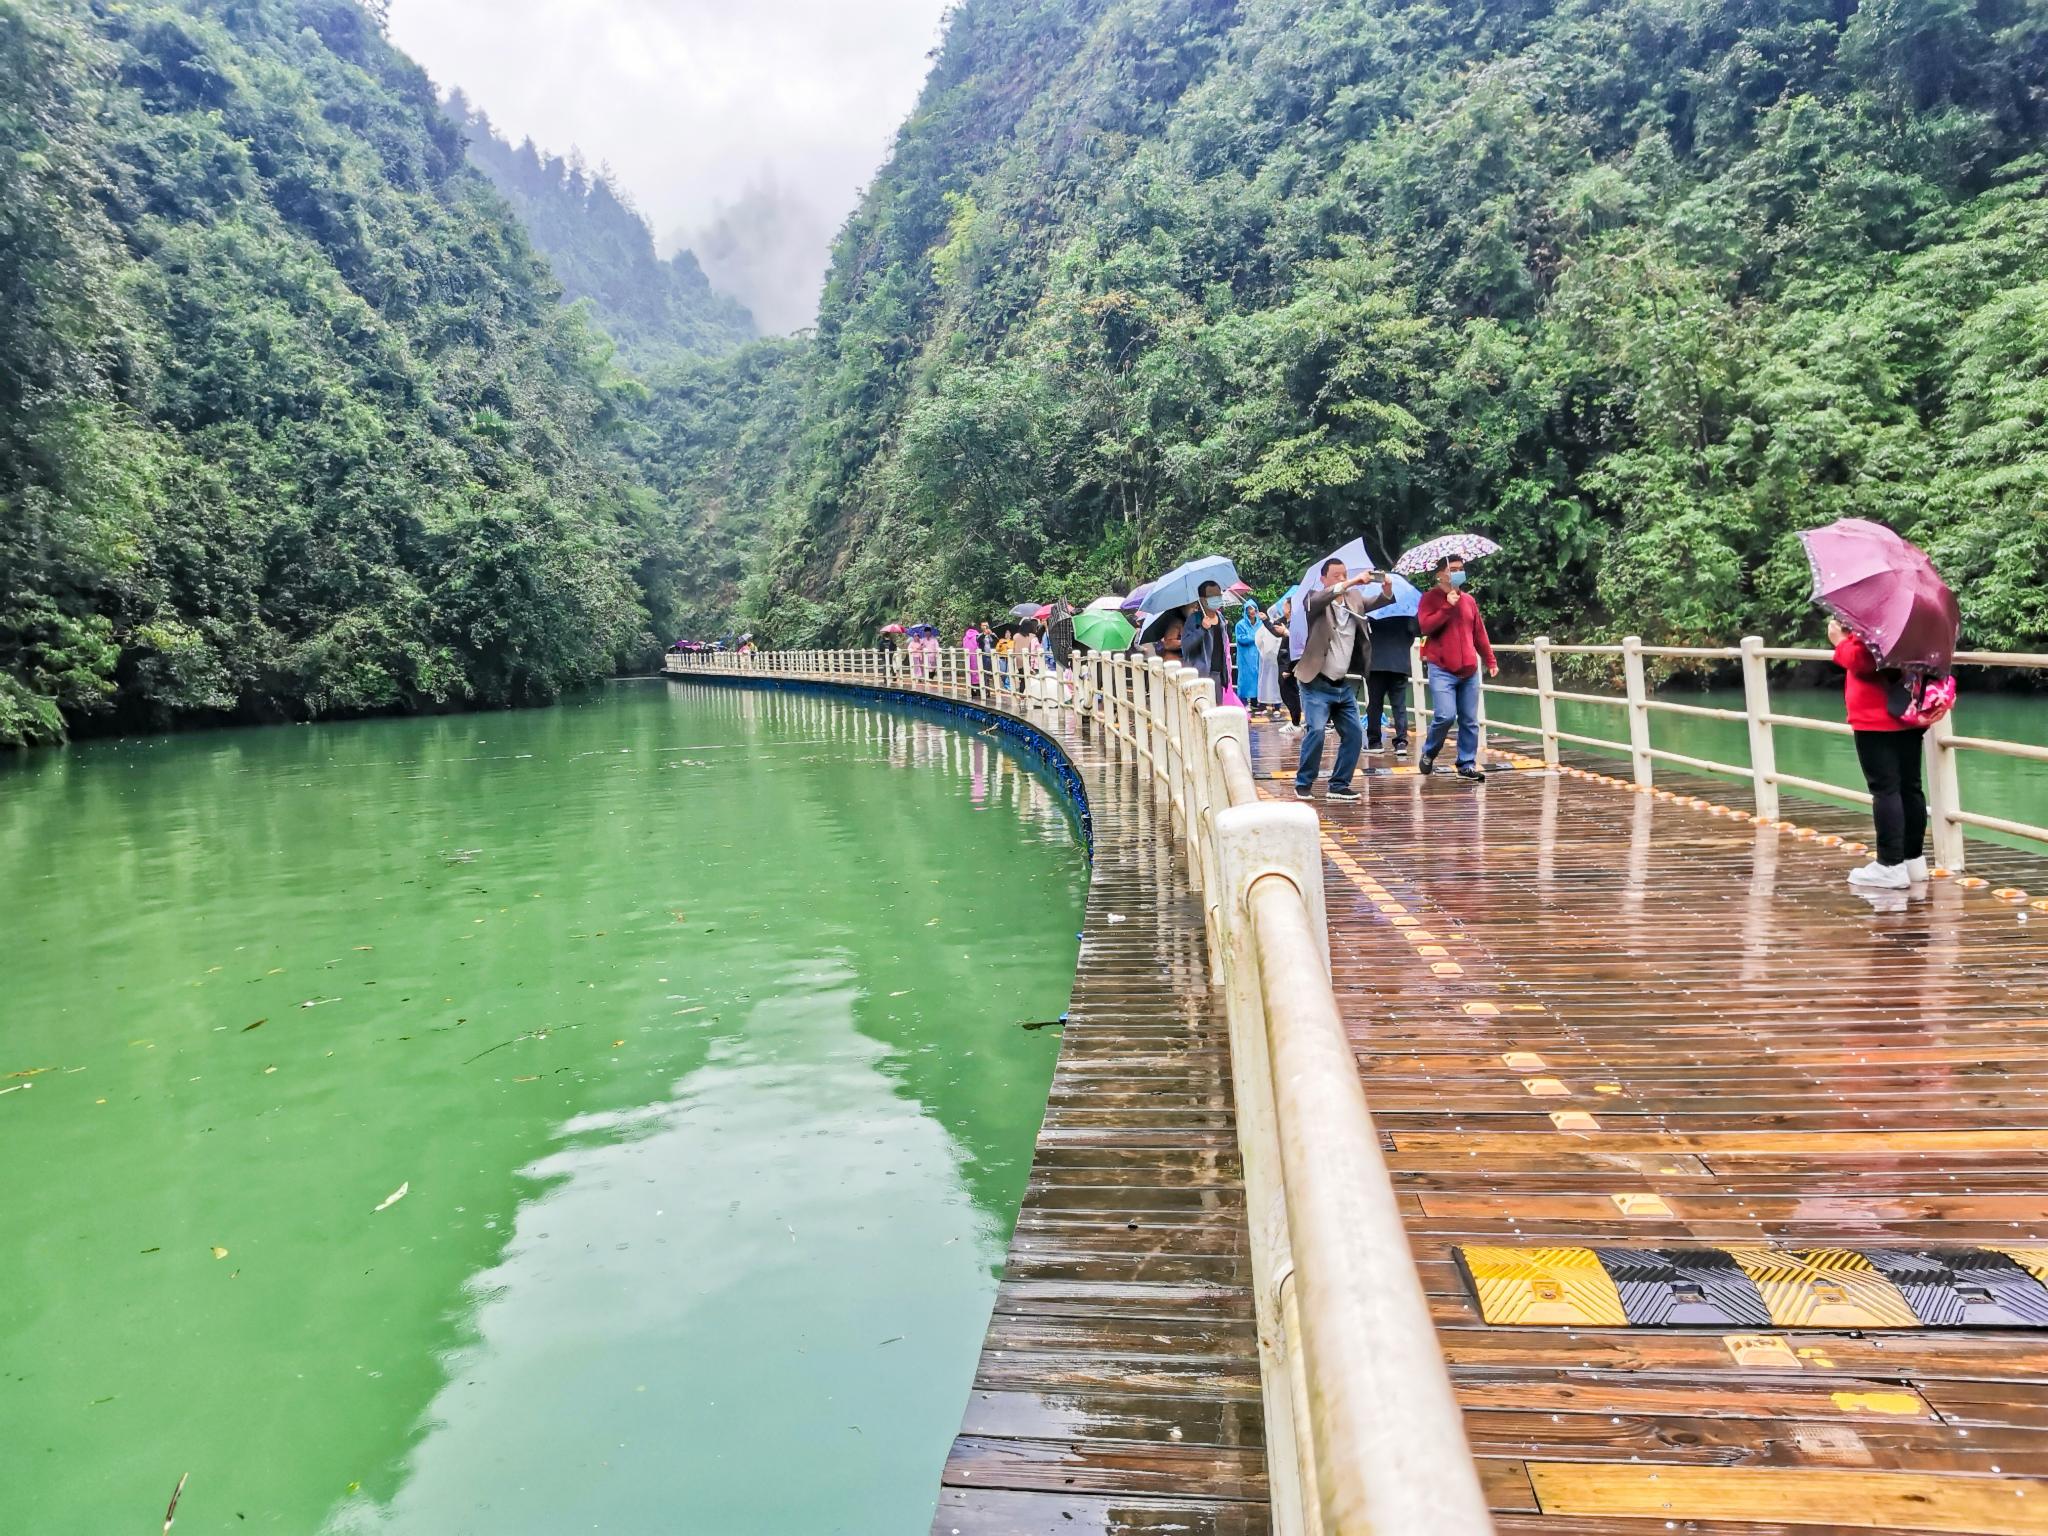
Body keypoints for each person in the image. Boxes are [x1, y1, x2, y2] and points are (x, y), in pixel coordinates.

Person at [1832, 616, 1930, 889]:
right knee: (1910, 787)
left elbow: (1864, 661)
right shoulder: (1914, 617)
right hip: (1908, 711)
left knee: (1885, 789)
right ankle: (1913, 861)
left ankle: (1890, 865)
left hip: (1876, 716)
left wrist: (1840, 641)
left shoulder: (1877, 615)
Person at [1293, 559, 1395, 801]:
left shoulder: (1355, 599)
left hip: (1342, 684)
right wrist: (1351, 581)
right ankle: (1303, 783)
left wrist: (1387, 589)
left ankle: (1338, 785)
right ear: (1323, 579)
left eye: (1345, 574)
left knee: (1354, 735)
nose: (1342, 579)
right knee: (1316, 731)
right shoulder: (1313, 599)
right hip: (1315, 682)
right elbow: (1319, 600)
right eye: (1336, 575)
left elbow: (1378, 602)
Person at [1415, 556, 1496, 780]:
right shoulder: (1429, 599)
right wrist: (1446, 607)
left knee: (1470, 719)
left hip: (1469, 669)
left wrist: (1490, 660)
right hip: (1442, 668)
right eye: (1453, 569)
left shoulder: (1468, 600)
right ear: (1440, 574)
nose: (1458, 573)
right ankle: (1429, 752)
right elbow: (1425, 627)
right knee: (1445, 715)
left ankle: (1466, 763)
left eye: (1461, 569)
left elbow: (1479, 632)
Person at [1365, 610, 1419, 757]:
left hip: (1376, 662)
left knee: (1375, 704)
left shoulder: (1372, 610)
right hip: (1399, 663)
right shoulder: (1407, 611)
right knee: (1399, 705)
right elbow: (1414, 632)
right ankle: (1401, 742)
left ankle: (1375, 742)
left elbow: (1363, 634)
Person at [1178, 580, 1235, 700]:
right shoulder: (1194, 620)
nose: (1217, 598)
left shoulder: (1221, 618)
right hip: (1202, 675)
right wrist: (1202, 629)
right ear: (1203, 599)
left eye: (1219, 595)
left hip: (1219, 675)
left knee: (1217, 712)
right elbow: (1186, 647)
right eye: (1212, 596)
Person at [1266, 594, 1303, 733]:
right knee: (1287, 692)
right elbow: (1275, 630)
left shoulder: (1295, 624)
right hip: (1284, 662)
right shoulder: (1286, 621)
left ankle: (1296, 722)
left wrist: (1289, 669)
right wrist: (1265, 621)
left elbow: (1295, 646)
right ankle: (1295, 721)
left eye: (1285, 606)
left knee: (1290, 693)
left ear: (1290, 608)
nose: (1283, 608)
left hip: (1288, 664)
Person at [1253, 600, 1284, 718]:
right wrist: (1263, 652)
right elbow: (1258, 639)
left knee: (1276, 683)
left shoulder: (1280, 625)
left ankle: (1277, 706)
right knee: (1265, 682)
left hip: (1276, 660)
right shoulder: (1264, 626)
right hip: (1266, 659)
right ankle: (1264, 705)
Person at [1233, 601, 1265, 713]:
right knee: (1245, 679)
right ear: (1246, 610)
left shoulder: (1260, 623)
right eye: (1249, 609)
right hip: (1245, 657)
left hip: (1258, 655)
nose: (1252, 611)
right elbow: (1241, 639)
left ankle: (1256, 701)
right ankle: (1244, 702)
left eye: (1254, 608)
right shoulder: (1240, 625)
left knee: (1257, 679)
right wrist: (1256, 637)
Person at [962, 621, 983, 694]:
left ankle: (971, 691)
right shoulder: (978, 636)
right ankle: (979, 691)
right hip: (976, 657)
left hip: (968, 657)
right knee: (978, 673)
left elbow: (964, 647)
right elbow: (980, 646)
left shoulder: (965, 637)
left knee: (969, 673)